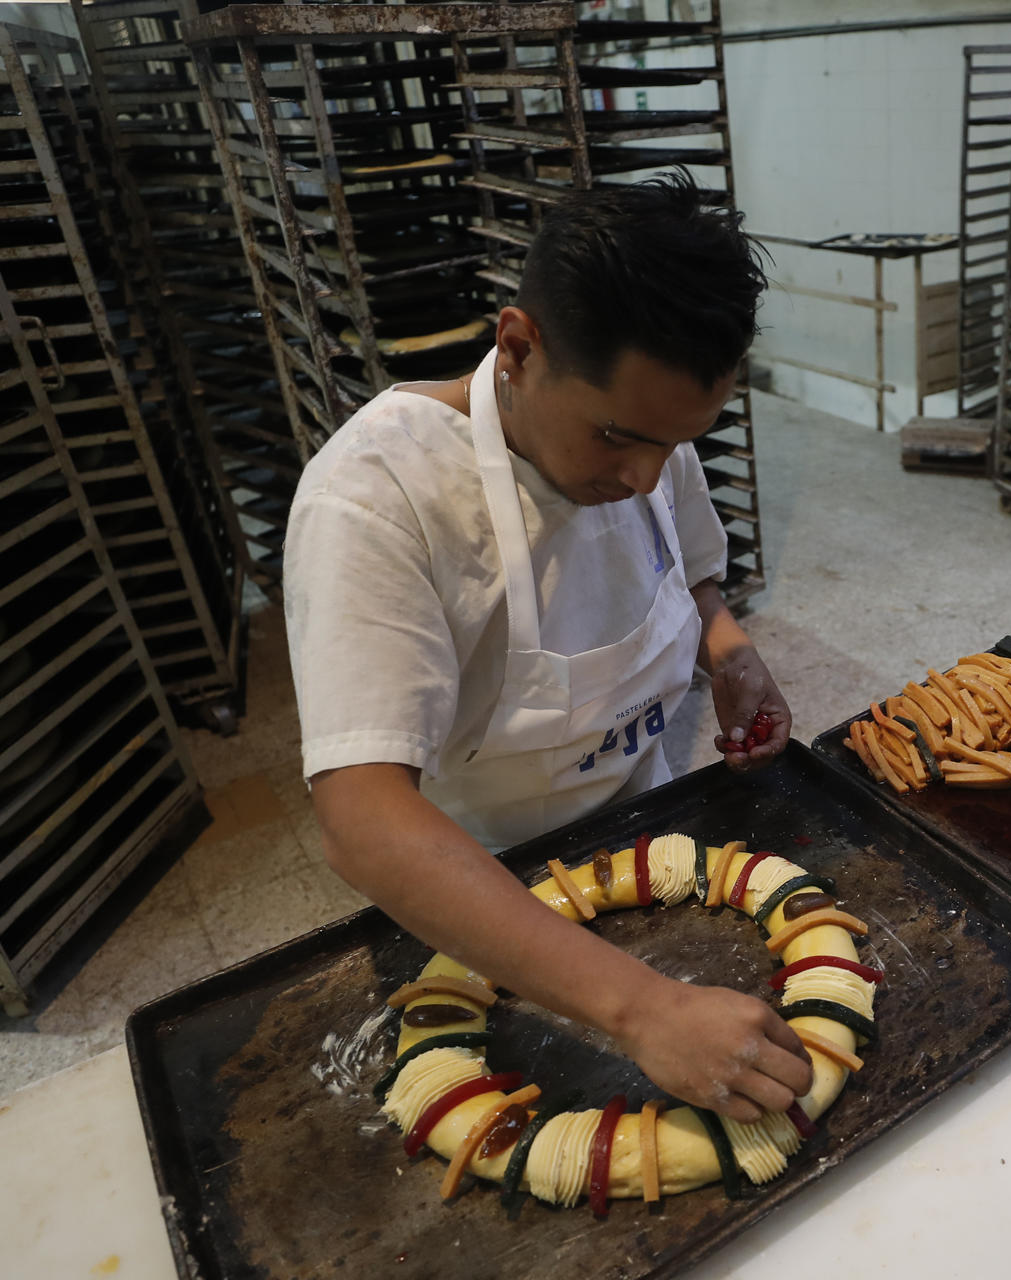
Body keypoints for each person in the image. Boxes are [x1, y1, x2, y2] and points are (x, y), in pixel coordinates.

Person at [283, 174, 811, 1124]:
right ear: (518, 347)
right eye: (618, 437)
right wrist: (643, 1008)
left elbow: (688, 575)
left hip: (645, 838)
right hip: (482, 900)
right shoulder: (374, 501)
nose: (646, 474)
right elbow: (360, 818)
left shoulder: (648, 430)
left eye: (677, 442)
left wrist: (729, 652)